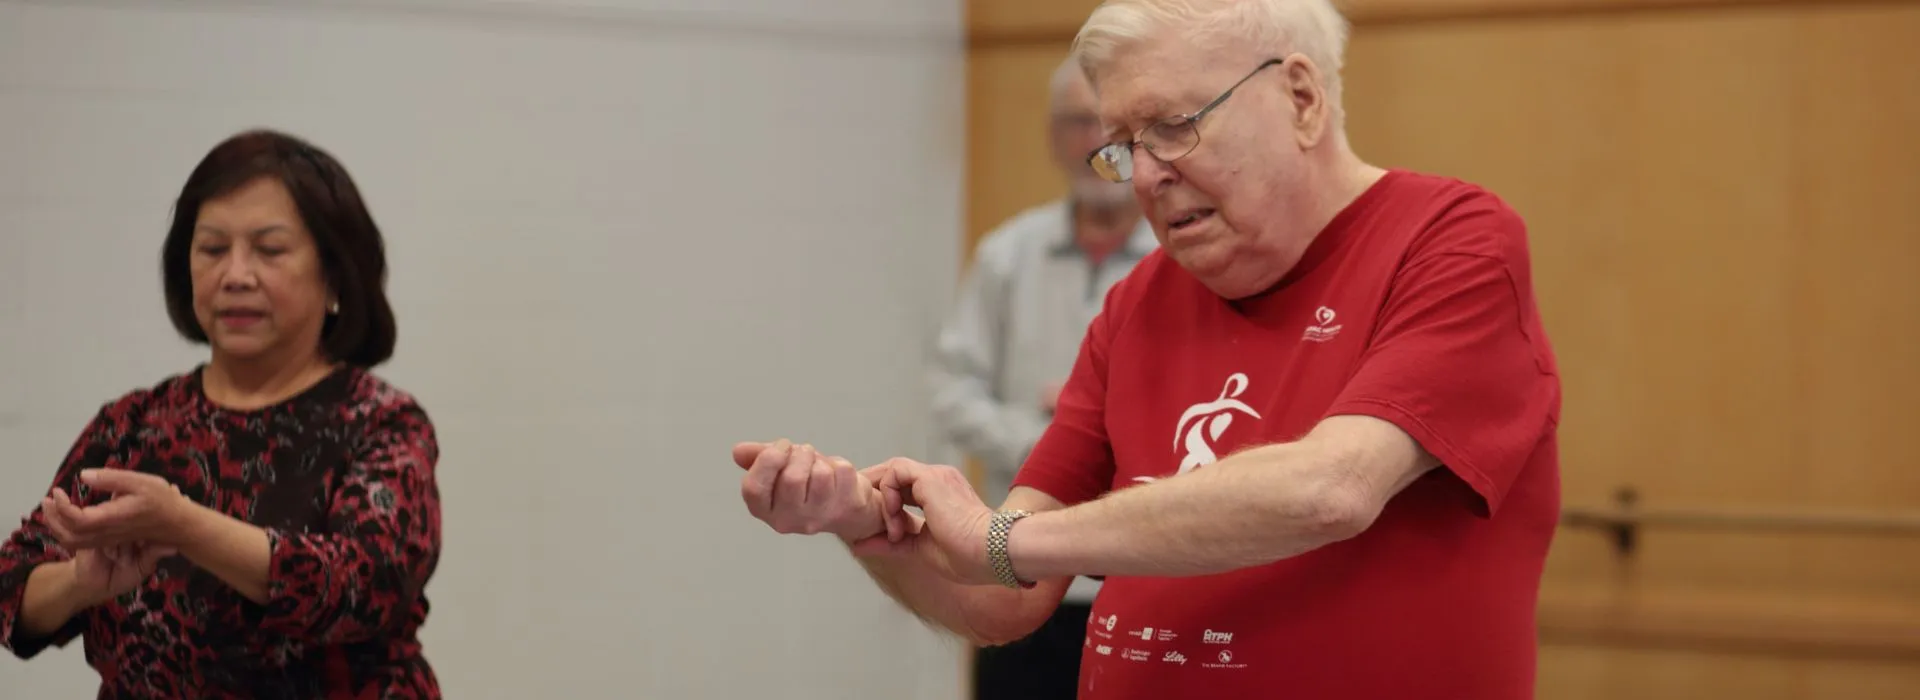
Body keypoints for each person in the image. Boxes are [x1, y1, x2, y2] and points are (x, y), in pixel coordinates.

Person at [730, 0, 1562, 698]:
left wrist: (999, 541)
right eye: (1124, 145)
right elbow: (1008, 601)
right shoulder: (1138, 302)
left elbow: (1332, 489)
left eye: (1174, 126)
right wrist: (871, 528)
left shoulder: (1452, 242)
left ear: (1302, 99)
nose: (1145, 176)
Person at [0, 129, 444, 698]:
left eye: (270, 250)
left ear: (335, 274)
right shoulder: (133, 425)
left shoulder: (380, 423)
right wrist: (79, 583)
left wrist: (183, 526)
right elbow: (12, 590)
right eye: (212, 249)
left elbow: (363, 584)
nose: (236, 275)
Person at [929, 56, 1155, 699]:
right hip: (1020, 576)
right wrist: (1053, 446)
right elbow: (952, 390)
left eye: (1112, 124)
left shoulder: (1182, 257)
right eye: (1078, 122)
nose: (1096, 140)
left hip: (1144, 580)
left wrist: (1105, 433)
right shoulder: (1007, 256)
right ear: (1053, 137)